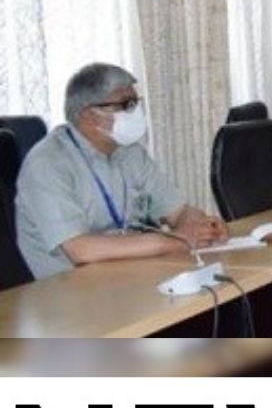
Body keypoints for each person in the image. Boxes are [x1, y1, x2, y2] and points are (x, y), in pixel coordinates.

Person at [15, 63, 228, 279]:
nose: (136, 112)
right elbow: (81, 250)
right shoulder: (46, 163)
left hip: (130, 275)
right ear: (89, 116)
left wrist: (202, 227)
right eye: (127, 105)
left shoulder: (130, 153)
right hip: (69, 288)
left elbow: (179, 211)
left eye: (136, 103)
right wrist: (177, 241)